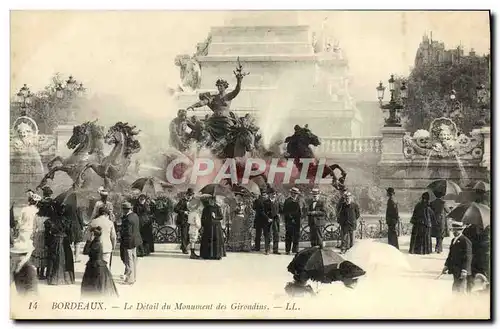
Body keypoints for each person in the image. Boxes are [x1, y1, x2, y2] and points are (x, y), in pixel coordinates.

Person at [186, 68, 245, 145]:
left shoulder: (228, 96)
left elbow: (237, 90)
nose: (219, 87)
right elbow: (203, 102)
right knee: (202, 129)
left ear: (225, 86)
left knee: (232, 132)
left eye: (221, 86)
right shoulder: (213, 97)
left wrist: (239, 80)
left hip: (225, 120)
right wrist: (193, 105)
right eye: (218, 86)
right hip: (214, 120)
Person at [81, 226, 119, 298]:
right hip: (96, 265)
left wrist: (88, 241)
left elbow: (86, 251)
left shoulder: (96, 244)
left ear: (93, 235)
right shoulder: (96, 242)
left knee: (95, 285)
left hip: (96, 266)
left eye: (90, 234)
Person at [46, 203, 75, 286]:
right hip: (64, 241)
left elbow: (47, 235)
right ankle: (65, 279)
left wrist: (48, 243)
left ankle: (53, 279)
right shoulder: (67, 221)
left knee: (53, 259)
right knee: (65, 259)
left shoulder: (50, 220)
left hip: (55, 241)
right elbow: (70, 234)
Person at [441, 221, 473, 294]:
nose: (455, 232)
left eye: (457, 229)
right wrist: (446, 266)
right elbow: (451, 255)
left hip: (462, 270)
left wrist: (465, 270)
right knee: (455, 287)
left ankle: (461, 303)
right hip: (455, 269)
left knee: (461, 289)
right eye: (454, 230)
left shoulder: (465, 241)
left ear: (461, 230)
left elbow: (468, 256)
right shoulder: (453, 240)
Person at [120, 201, 142, 285]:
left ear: (125, 210)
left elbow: (127, 232)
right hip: (135, 240)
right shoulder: (135, 215)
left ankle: (130, 279)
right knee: (133, 259)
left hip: (128, 241)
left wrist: (122, 237)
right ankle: (134, 277)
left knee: (129, 260)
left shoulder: (127, 219)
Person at [199, 195, 225, 260]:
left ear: (214, 201)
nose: (210, 202)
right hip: (208, 227)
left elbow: (221, 217)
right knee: (207, 241)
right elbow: (202, 218)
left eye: (212, 200)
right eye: (209, 200)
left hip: (216, 227)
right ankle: (206, 255)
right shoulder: (206, 208)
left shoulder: (217, 207)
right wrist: (202, 225)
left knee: (216, 241)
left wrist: (215, 217)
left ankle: (217, 255)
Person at [282, 187, 302, 255]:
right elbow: (285, 212)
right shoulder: (288, 201)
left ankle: (295, 250)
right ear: (291, 193)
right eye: (294, 193)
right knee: (289, 235)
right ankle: (287, 250)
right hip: (290, 222)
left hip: (297, 222)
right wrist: (291, 219)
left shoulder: (297, 201)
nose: (296, 195)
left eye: (296, 194)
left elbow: (299, 212)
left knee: (296, 236)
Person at [174, 188, 194, 255]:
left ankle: (183, 246)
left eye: (191, 195)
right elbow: (175, 209)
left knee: (189, 236)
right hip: (183, 221)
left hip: (191, 221)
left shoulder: (194, 202)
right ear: (186, 194)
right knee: (184, 235)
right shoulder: (182, 201)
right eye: (188, 195)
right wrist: (184, 212)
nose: (189, 196)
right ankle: (184, 249)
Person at [253, 189, 272, 254]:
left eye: (265, 194)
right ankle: (257, 247)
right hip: (260, 220)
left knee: (266, 235)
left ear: (267, 195)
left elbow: (270, 210)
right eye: (262, 194)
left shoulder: (268, 201)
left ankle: (267, 249)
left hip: (265, 221)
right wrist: (268, 218)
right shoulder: (257, 201)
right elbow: (258, 210)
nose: (264, 196)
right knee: (258, 234)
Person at [266, 188, 281, 255]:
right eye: (272, 194)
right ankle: (267, 250)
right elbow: (264, 211)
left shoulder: (278, 202)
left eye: (275, 194)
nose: (274, 195)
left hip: (276, 220)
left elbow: (281, 210)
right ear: (269, 194)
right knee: (268, 235)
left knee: (276, 234)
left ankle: (275, 250)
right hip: (269, 220)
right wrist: (267, 218)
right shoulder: (266, 202)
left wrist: (280, 214)